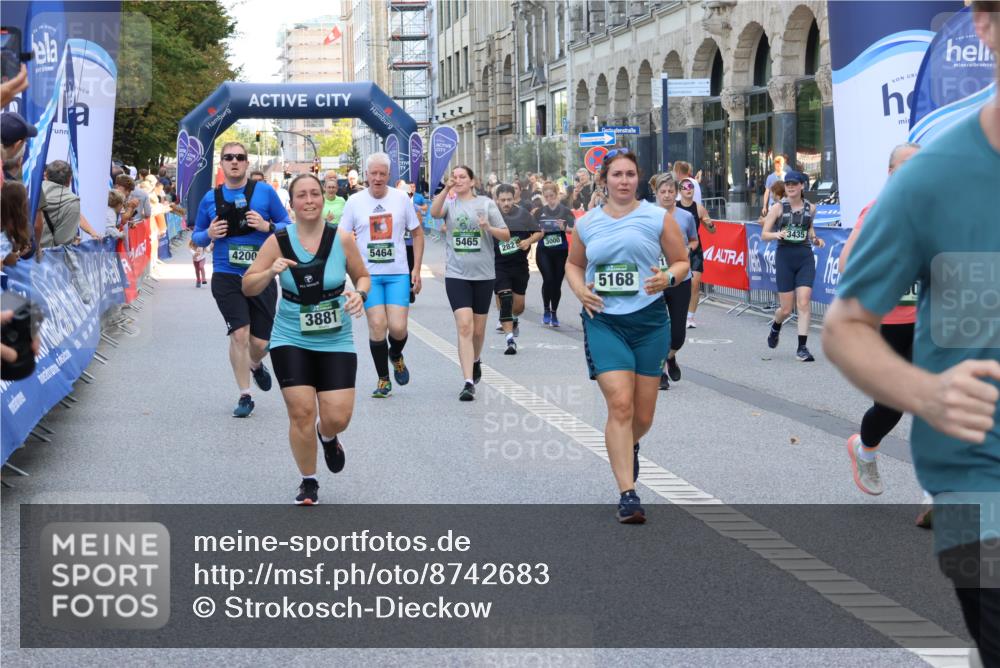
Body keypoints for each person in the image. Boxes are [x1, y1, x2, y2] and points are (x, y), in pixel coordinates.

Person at [825, 5, 999, 662]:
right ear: (983, 24)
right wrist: (923, 395)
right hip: (982, 476)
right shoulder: (930, 180)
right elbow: (845, 326)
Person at [566, 148, 689, 523]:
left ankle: (629, 442)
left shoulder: (656, 218)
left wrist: (668, 277)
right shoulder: (588, 223)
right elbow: (575, 264)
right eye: (616, 174)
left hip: (650, 321)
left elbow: (682, 262)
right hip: (604, 320)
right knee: (620, 403)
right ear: (604, 180)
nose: (623, 181)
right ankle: (628, 494)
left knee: (643, 414)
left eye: (630, 174)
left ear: (638, 178)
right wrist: (579, 289)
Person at [241, 173, 370, 505]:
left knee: (338, 416)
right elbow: (248, 284)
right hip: (290, 336)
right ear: (292, 202)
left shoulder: (341, 239)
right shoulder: (278, 241)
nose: (310, 200)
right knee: (300, 411)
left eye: (315, 194)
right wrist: (270, 272)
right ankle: (308, 480)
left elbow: (362, 276)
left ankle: (328, 436)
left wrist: (360, 294)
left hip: (336, 338)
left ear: (323, 199)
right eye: (302, 195)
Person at [837, 142, 921, 499]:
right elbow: (846, 265)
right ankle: (865, 448)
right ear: (892, 174)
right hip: (888, 323)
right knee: (892, 406)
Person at [192, 141, 291, 417]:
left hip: (260, 274)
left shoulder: (264, 193)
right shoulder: (210, 198)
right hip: (226, 274)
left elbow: (288, 226)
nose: (234, 161)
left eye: (239, 157)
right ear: (221, 164)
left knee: (260, 343)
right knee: (239, 334)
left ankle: (256, 364)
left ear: (247, 163)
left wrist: (267, 226)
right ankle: (245, 395)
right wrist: (209, 234)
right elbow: (195, 236)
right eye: (228, 158)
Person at [340, 153, 423, 398]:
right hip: (368, 276)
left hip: (397, 273)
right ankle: (383, 379)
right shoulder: (354, 202)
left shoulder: (400, 200)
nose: (377, 178)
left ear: (389, 175)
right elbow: (343, 239)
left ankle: (395, 354)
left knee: (397, 328)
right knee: (377, 325)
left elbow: (417, 234)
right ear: (366, 175)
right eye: (373, 173)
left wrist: (416, 269)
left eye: (382, 174)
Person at [430, 165, 510, 401]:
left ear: (472, 181)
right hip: (457, 275)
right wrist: (445, 189)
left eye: (462, 177)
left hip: (484, 275)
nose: (458, 180)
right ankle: (467, 382)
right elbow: (434, 213)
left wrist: (488, 227)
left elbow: (505, 234)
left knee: (478, 329)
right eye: (454, 177)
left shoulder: (486, 204)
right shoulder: (449, 204)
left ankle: (475, 360)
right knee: (464, 325)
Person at [762, 170, 824, 361]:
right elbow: (764, 234)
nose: (790, 187)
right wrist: (776, 235)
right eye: (787, 184)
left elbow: (809, 228)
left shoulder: (810, 208)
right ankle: (776, 325)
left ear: (802, 186)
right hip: (785, 257)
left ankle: (802, 348)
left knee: (804, 302)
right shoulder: (778, 208)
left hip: (804, 257)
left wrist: (815, 239)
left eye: (794, 184)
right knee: (786, 309)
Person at [653, 174, 697, 391]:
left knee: (678, 334)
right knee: (659, 327)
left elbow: (694, 239)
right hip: (656, 279)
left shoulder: (686, 217)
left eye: (671, 191)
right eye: (663, 191)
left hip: (681, 278)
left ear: (676, 193)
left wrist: (687, 250)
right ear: (656, 193)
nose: (667, 195)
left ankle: (671, 356)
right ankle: (660, 371)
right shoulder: (647, 215)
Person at [493, 183, 543, 354]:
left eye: (509, 199)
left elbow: (538, 232)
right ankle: (509, 340)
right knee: (505, 298)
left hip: (519, 265)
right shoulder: (492, 215)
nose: (506, 203)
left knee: (519, 306)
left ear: (514, 199)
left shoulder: (523, 214)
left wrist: (528, 241)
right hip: (498, 264)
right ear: (497, 200)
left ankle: (512, 319)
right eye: (502, 200)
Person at [676, 177, 716, 328]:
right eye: (685, 187)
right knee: (677, 284)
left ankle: (690, 317)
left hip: (695, 249)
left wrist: (709, 223)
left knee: (694, 283)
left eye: (691, 186)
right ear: (680, 191)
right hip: (677, 249)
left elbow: (712, 231)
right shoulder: (675, 206)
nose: (688, 189)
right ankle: (677, 312)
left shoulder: (699, 208)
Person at [534, 181, 575, 327]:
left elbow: (574, 229)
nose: (549, 199)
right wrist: (539, 231)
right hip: (544, 250)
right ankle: (545, 309)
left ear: (557, 195)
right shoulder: (540, 212)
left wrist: (564, 228)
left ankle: (554, 312)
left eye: (552, 196)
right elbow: (533, 232)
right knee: (548, 279)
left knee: (557, 284)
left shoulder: (565, 211)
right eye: (547, 196)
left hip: (560, 251)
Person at [38, 161, 101, 247]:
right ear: (70, 179)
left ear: (46, 175)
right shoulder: (71, 202)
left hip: (24, 255)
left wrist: (91, 231)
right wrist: (74, 242)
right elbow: (63, 241)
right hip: (50, 257)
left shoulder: (31, 191)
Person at [1, 181, 32, 266]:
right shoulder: (3, 231)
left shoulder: (20, 225)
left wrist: (18, 253)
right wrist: (5, 259)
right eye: (25, 199)